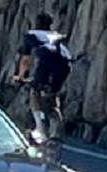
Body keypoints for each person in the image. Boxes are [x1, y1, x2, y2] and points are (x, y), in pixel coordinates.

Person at [10, 18, 74, 152]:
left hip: (47, 61)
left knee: (34, 91)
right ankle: (56, 130)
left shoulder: (31, 34)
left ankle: (39, 127)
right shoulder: (55, 35)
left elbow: (25, 61)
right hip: (65, 64)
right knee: (52, 95)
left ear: (36, 24)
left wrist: (20, 77)